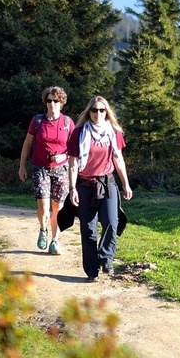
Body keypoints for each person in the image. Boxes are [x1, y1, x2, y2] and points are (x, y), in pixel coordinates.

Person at [69, 95, 132, 281]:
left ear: (107, 112)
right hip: (85, 185)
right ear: (89, 112)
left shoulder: (114, 132)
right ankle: (92, 271)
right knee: (88, 230)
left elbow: (118, 159)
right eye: (94, 110)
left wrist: (126, 184)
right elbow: (73, 163)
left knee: (112, 222)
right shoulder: (78, 133)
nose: (98, 114)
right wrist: (72, 188)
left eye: (102, 110)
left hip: (107, 182)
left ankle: (106, 259)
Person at [18, 86, 76, 255]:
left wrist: (63, 156)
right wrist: (22, 166)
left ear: (61, 103)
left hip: (61, 169)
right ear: (45, 102)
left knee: (58, 207)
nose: (52, 104)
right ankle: (43, 229)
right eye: (49, 100)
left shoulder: (67, 123)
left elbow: (74, 149)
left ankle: (55, 240)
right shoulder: (37, 121)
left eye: (56, 101)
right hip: (40, 168)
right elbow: (27, 144)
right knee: (43, 206)